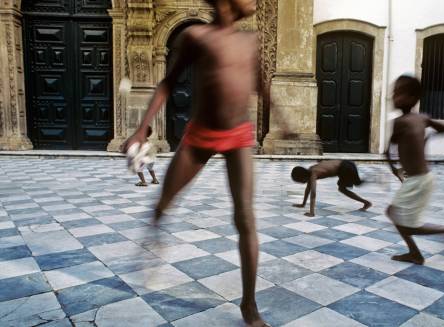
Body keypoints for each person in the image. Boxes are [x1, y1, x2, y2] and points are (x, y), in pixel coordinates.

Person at [122, 1, 282, 325]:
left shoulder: (250, 41)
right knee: (164, 201)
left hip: (238, 137)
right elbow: (168, 82)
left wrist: (284, 120)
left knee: (245, 218)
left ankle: (249, 304)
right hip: (200, 137)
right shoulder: (196, 37)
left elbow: (262, 86)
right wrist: (142, 127)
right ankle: (152, 240)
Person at [386, 75, 444, 265]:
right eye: (394, 92)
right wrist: (426, 137)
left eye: (398, 93)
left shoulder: (400, 122)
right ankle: (415, 253)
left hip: (418, 180)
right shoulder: (422, 118)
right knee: (395, 215)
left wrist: (395, 169)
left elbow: (387, 151)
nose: (394, 96)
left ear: (412, 98)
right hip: (421, 178)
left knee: (404, 223)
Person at [291, 160, 372, 217]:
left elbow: (313, 194)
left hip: (345, 168)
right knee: (355, 183)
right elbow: (308, 189)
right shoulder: (311, 170)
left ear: (303, 177)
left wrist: (312, 213)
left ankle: (367, 202)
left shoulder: (313, 174)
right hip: (347, 164)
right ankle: (366, 198)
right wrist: (303, 204)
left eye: (300, 181)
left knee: (343, 189)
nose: (301, 183)